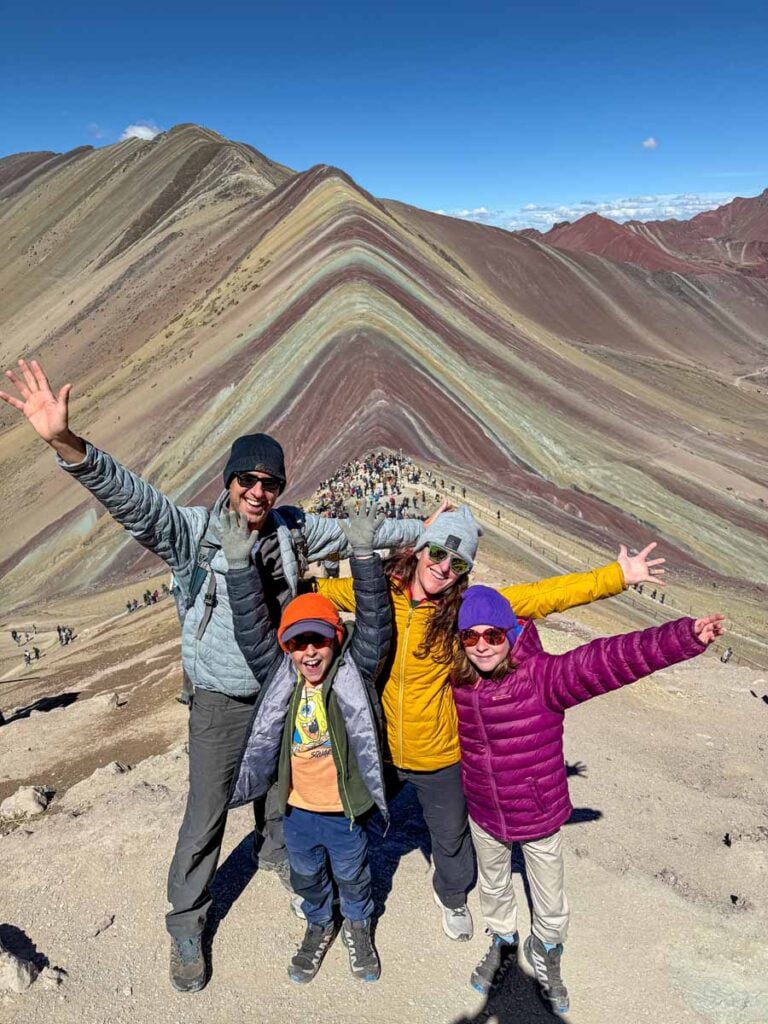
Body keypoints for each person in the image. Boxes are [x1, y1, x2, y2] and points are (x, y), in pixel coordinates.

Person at [0, 357, 423, 993]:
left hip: (284, 689)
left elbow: (358, 532)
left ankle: (279, 855)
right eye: (248, 479)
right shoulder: (193, 534)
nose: (258, 491)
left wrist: (430, 528)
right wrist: (67, 443)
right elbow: (134, 500)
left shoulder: (293, 531)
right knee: (206, 815)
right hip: (221, 701)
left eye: (270, 483)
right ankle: (186, 922)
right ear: (230, 481)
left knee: (282, 791)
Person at [318, 506, 667, 942]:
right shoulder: (379, 593)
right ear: (421, 549)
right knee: (348, 819)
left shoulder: (464, 612)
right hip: (379, 746)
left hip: (439, 755)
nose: (444, 568)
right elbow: (323, 592)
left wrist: (616, 576)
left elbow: (542, 595)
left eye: (458, 563)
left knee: (451, 842)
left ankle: (452, 898)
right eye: (438, 553)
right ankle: (334, 890)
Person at [451, 585, 723, 1011]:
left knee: (549, 896)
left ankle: (546, 950)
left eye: (493, 635)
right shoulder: (459, 681)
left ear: (511, 633)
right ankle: (503, 941)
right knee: (494, 884)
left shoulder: (543, 677)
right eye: (470, 636)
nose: (482, 646)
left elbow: (610, 660)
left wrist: (684, 637)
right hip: (484, 811)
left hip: (537, 812)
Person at [225, 507, 390, 983]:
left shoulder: (353, 675)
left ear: (336, 641)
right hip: (295, 811)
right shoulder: (280, 679)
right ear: (287, 649)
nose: (310, 651)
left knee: (353, 874)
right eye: (298, 643)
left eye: (319, 640)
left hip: (345, 811)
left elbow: (376, 627)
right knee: (306, 875)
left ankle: (357, 924)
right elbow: (252, 631)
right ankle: (319, 924)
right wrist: (238, 568)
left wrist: (363, 556)